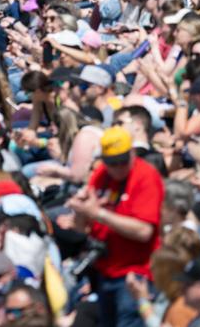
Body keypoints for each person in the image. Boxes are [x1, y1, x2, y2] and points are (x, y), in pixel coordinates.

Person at [68, 126, 163, 327]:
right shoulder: (102, 173)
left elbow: (144, 231)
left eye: (123, 161)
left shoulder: (146, 176)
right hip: (106, 269)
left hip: (135, 272)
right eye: (112, 163)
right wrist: (80, 210)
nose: (118, 168)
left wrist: (99, 214)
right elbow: (81, 228)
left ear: (132, 153)